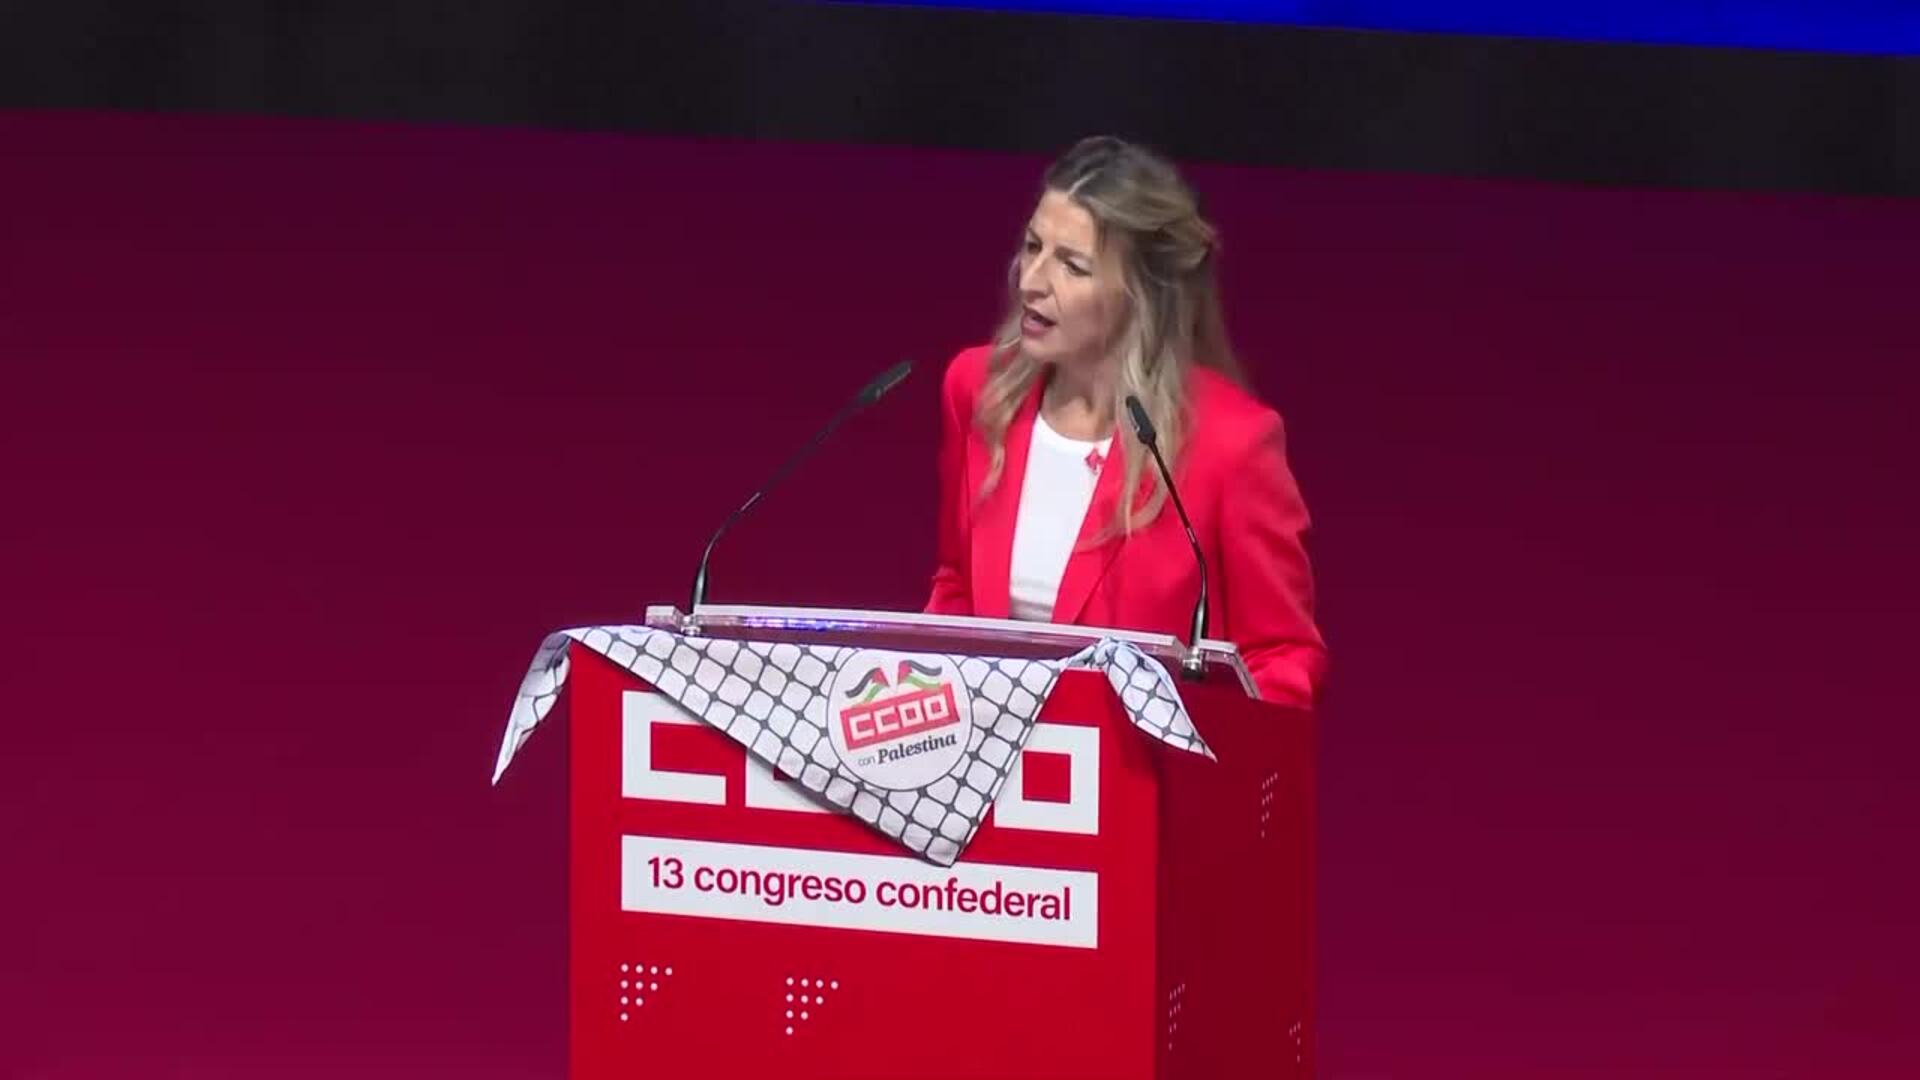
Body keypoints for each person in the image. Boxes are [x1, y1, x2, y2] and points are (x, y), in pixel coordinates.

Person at [925, 136, 1326, 706]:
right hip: (995, 748)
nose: (1032, 280)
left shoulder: (1232, 444)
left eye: (1072, 265)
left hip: (1144, 758)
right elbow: (957, 587)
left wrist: (1199, 742)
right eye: (1033, 246)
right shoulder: (978, 390)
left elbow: (1282, 657)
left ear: (1139, 294)